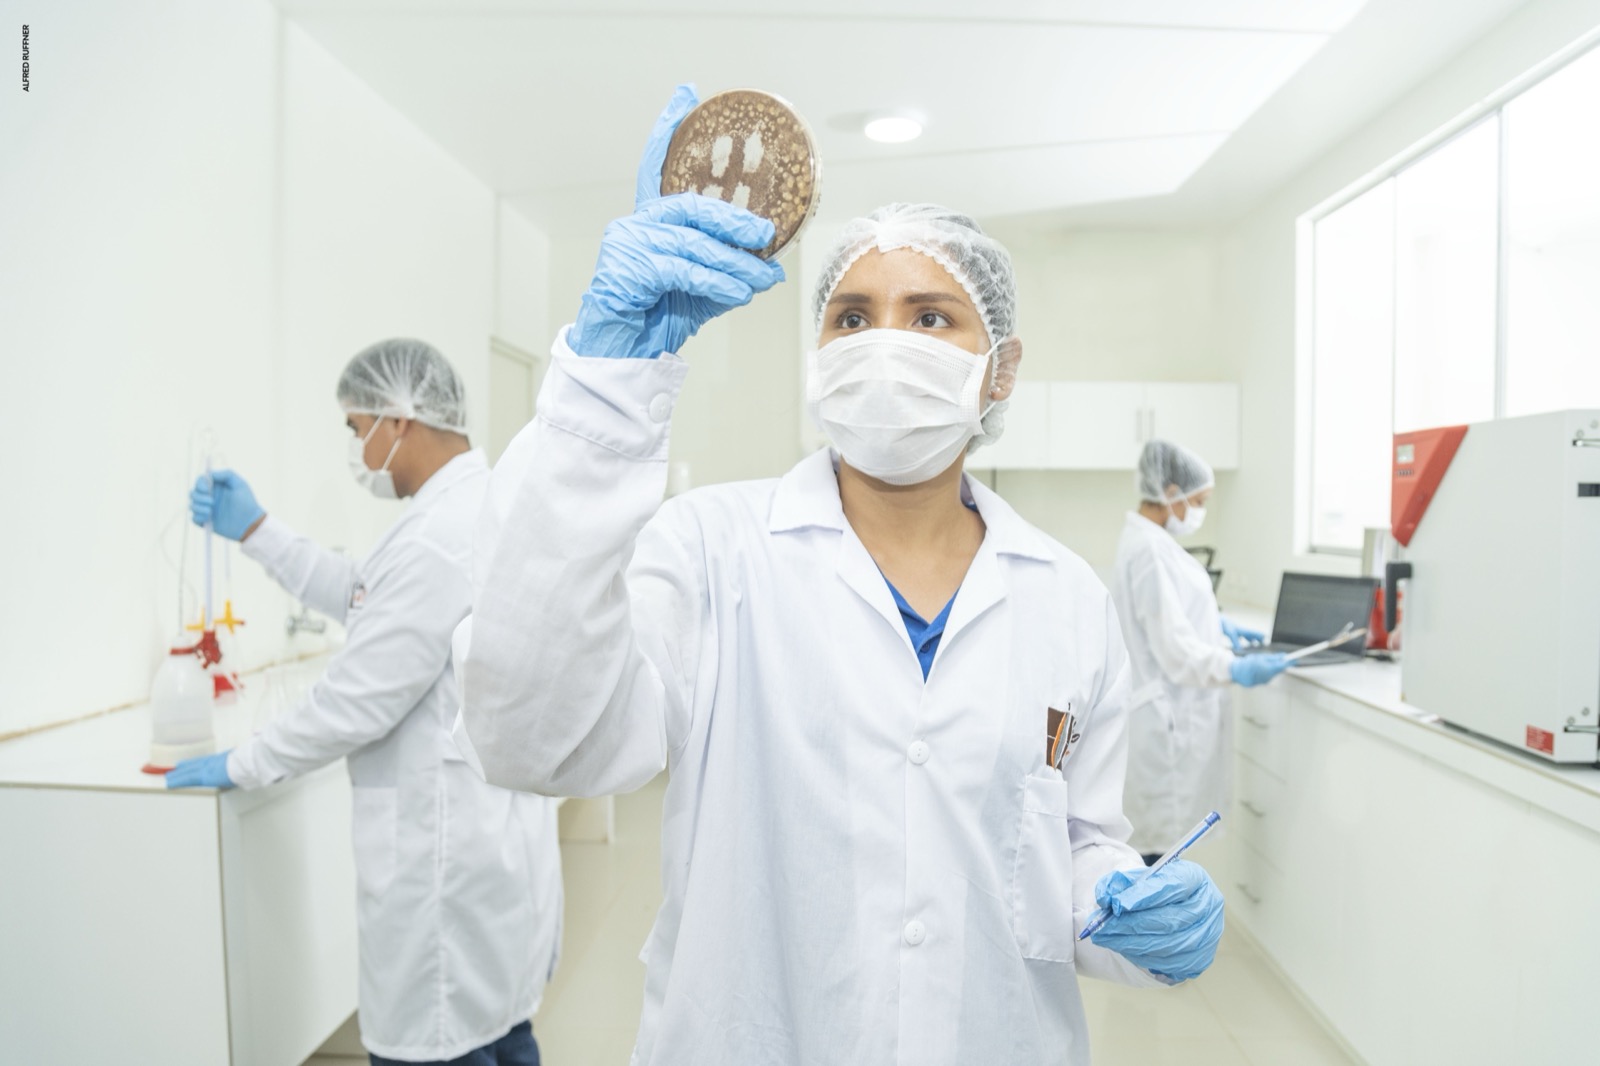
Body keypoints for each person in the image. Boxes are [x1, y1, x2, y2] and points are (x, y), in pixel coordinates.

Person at [450, 85, 1225, 1065]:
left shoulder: (1065, 597)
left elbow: (1068, 842)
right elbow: (529, 738)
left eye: (932, 317)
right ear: (818, 355)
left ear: (1001, 367)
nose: (884, 343)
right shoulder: (710, 550)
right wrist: (604, 382)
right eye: (852, 316)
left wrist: (1119, 901)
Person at [166, 340, 560, 1066]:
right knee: (503, 1035)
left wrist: (244, 761)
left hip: (444, 862)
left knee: (442, 1041)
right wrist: (260, 533)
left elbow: (355, 702)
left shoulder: (440, 536)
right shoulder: (474, 508)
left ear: (398, 418)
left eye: (356, 428)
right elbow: (366, 595)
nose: (357, 448)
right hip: (491, 856)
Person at [1111, 439, 1290, 861]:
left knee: (1161, 856)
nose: (1199, 511)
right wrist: (1235, 667)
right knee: (1158, 860)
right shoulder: (1149, 550)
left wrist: (1218, 629)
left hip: (1165, 716)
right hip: (1166, 722)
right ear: (1170, 494)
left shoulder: (1148, 542)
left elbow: (1169, 622)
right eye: (1198, 501)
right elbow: (1177, 654)